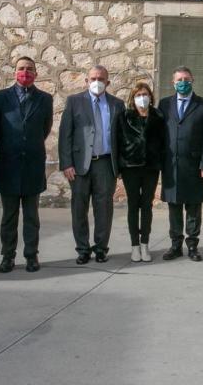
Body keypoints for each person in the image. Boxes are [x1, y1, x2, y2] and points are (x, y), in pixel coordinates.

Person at [0, 56, 53, 273]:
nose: (25, 72)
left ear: (36, 73)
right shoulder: (0, 97)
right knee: (8, 216)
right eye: (21, 68)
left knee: (31, 216)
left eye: (29, 69)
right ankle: (7, 256)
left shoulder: (45, 99)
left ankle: (31, 255)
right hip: (8, 165)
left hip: (32, 166)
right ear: (14, 71)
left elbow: (44, 129)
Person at [59, 65, 125, 264]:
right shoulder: (74, 102)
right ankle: (82, 249)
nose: (97, 82)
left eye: (101, 78)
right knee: (79, 208)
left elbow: (122, 137)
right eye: (93, 78)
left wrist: (120, 166)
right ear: (86, 81)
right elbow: (65, 135)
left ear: (108, 82)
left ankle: (101, 248)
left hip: (105, 164)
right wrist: (66, 163)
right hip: (79, 165)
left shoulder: (117, 104)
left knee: (104, 208)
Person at [157, 66, 203, 262]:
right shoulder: (164, 105)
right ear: (173, 83)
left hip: (194, 166)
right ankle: (175, 245)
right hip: (171, 166)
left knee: (193, 208)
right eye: (179, 79)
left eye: (186, 79)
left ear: (192, 80)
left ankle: (192, 246)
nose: (183, 82)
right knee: (174, 207)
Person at [116, 82, 166, 263]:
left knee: (147, 205)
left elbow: (163, 142)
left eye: (145, 94)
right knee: (133, 205)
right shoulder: (124, 117)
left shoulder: (158, 116)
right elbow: (117, 142)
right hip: (130, 167)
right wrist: (118, 168)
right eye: (138, 95)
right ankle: (134, 245)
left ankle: (145, 243)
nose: (142, 98)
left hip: (151, 168)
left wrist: (161, 162)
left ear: (150, 97)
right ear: (133, 98)